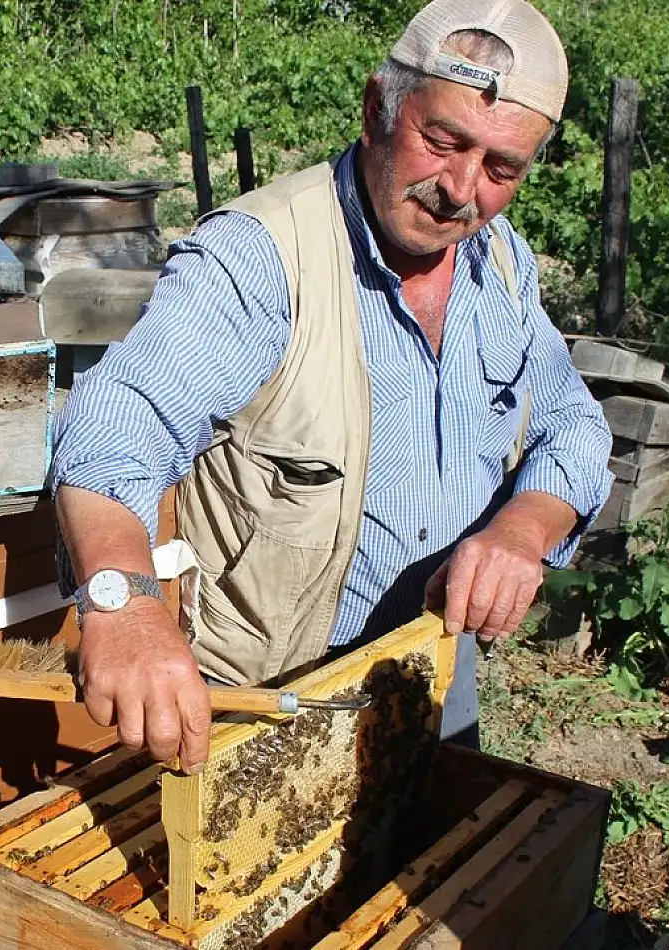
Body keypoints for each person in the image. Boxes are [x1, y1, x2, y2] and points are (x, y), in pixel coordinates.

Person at [49, 0, 613, 775]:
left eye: (500, 168)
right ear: (378, 106)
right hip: (271, 696)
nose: (461, 189)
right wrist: (128, 605)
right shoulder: (262, 259)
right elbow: (115, 426)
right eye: (442, 141)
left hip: (434, 661)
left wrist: (522, 531)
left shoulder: (501, 262)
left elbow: (574, 428)